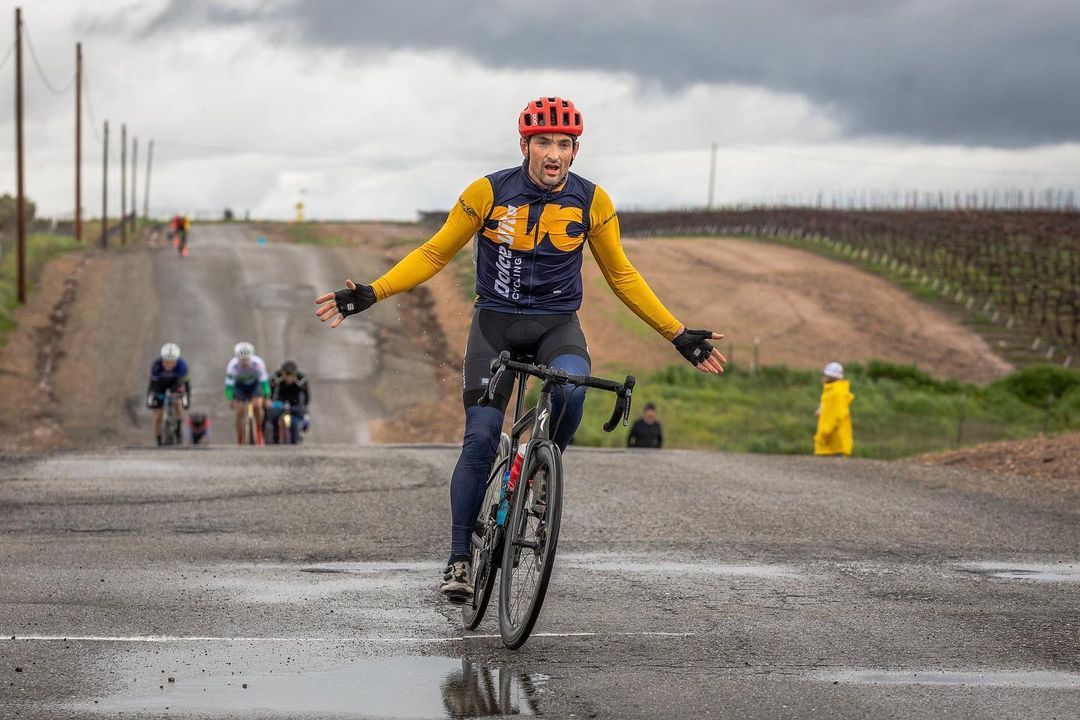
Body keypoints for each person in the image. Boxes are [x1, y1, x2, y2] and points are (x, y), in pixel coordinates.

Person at [315, 96, 725, 603]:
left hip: (558, 327)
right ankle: (460, 559)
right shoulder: (487, 193)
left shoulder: (592, 201)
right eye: (544, 142)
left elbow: (622, 275)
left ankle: (540, 468)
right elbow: (434, 252)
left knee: (572, 389)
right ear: (525, 144)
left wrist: (678, 335)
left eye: (564, 144)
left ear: (576, 151)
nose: (553, 153)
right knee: (481, 440)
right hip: (495, 326)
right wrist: (369, 293)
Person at [225, 341, 270, 445]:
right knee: (239, 411)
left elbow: (264, 383)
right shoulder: (232, 366)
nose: (244, 362)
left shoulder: (258, 363)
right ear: (237, 358)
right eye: (242, 360)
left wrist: (266, 397)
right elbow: (229, 386)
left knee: (257, 406)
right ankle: (240, 438)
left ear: (251, 357)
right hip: (239, 386)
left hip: (254, 385)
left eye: (247, 359)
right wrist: (231, 399)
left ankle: (259, 429)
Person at [146, 342, 190, 446]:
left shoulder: (182, 366)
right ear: (162, 360)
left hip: (175, 383)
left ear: (176, 360)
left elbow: (186, 385)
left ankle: (178, 429)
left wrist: (186, 399)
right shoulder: (156, 366)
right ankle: (158, 439)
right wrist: (150, 398)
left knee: (178, 402)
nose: (169, 365)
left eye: (172, 362)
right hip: (160, 384)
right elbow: (152, 385)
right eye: (166, 362)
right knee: (157, 416)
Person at [814, 361, 854, 456]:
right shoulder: (831, 391)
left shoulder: (835, 393)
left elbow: (835, 416)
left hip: (834, 444)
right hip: (832, 444)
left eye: (825, 374)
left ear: (831, 377)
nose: (823, 377)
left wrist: (824, 434)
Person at [266, 359, 311, 444]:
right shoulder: (276, 377)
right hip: (281, 399)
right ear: (282, 373)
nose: (288, 378)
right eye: (286, 375)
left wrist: (304, 406)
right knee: (272, 416)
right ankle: (274, 437)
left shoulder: (301, 379)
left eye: (291, 375)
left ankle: (299, 434)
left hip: (295, 401)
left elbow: (306, 396)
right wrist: (270, 401)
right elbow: (270, 391)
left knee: (303, 419)